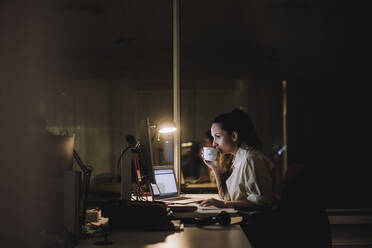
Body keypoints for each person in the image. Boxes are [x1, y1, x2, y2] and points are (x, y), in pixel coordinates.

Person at [200, 108, 280, 210]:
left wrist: (223, 204)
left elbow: (261, 203)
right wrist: (216, 169)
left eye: (218, 136)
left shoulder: (250, 159)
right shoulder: (235, 159)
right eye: (213, 137)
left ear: (234, 136)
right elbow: (226, 197)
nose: (214, 143)